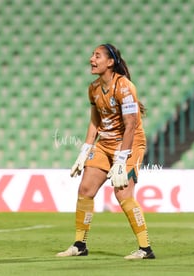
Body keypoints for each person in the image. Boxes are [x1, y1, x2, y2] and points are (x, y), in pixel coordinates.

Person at [56, 43, 155, 260]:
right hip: (105, 142)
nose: (92, 59)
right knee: (85, 190)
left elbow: (130, 125)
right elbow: (95, 121)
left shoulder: (125, 87)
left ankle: (145, 249)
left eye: (97, 56)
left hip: (130, 142)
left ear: (110, 62)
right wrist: (85, 150)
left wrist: (121, 160)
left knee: (123, 194)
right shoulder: (93, 88)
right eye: (92, 55)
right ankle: (79, 245)